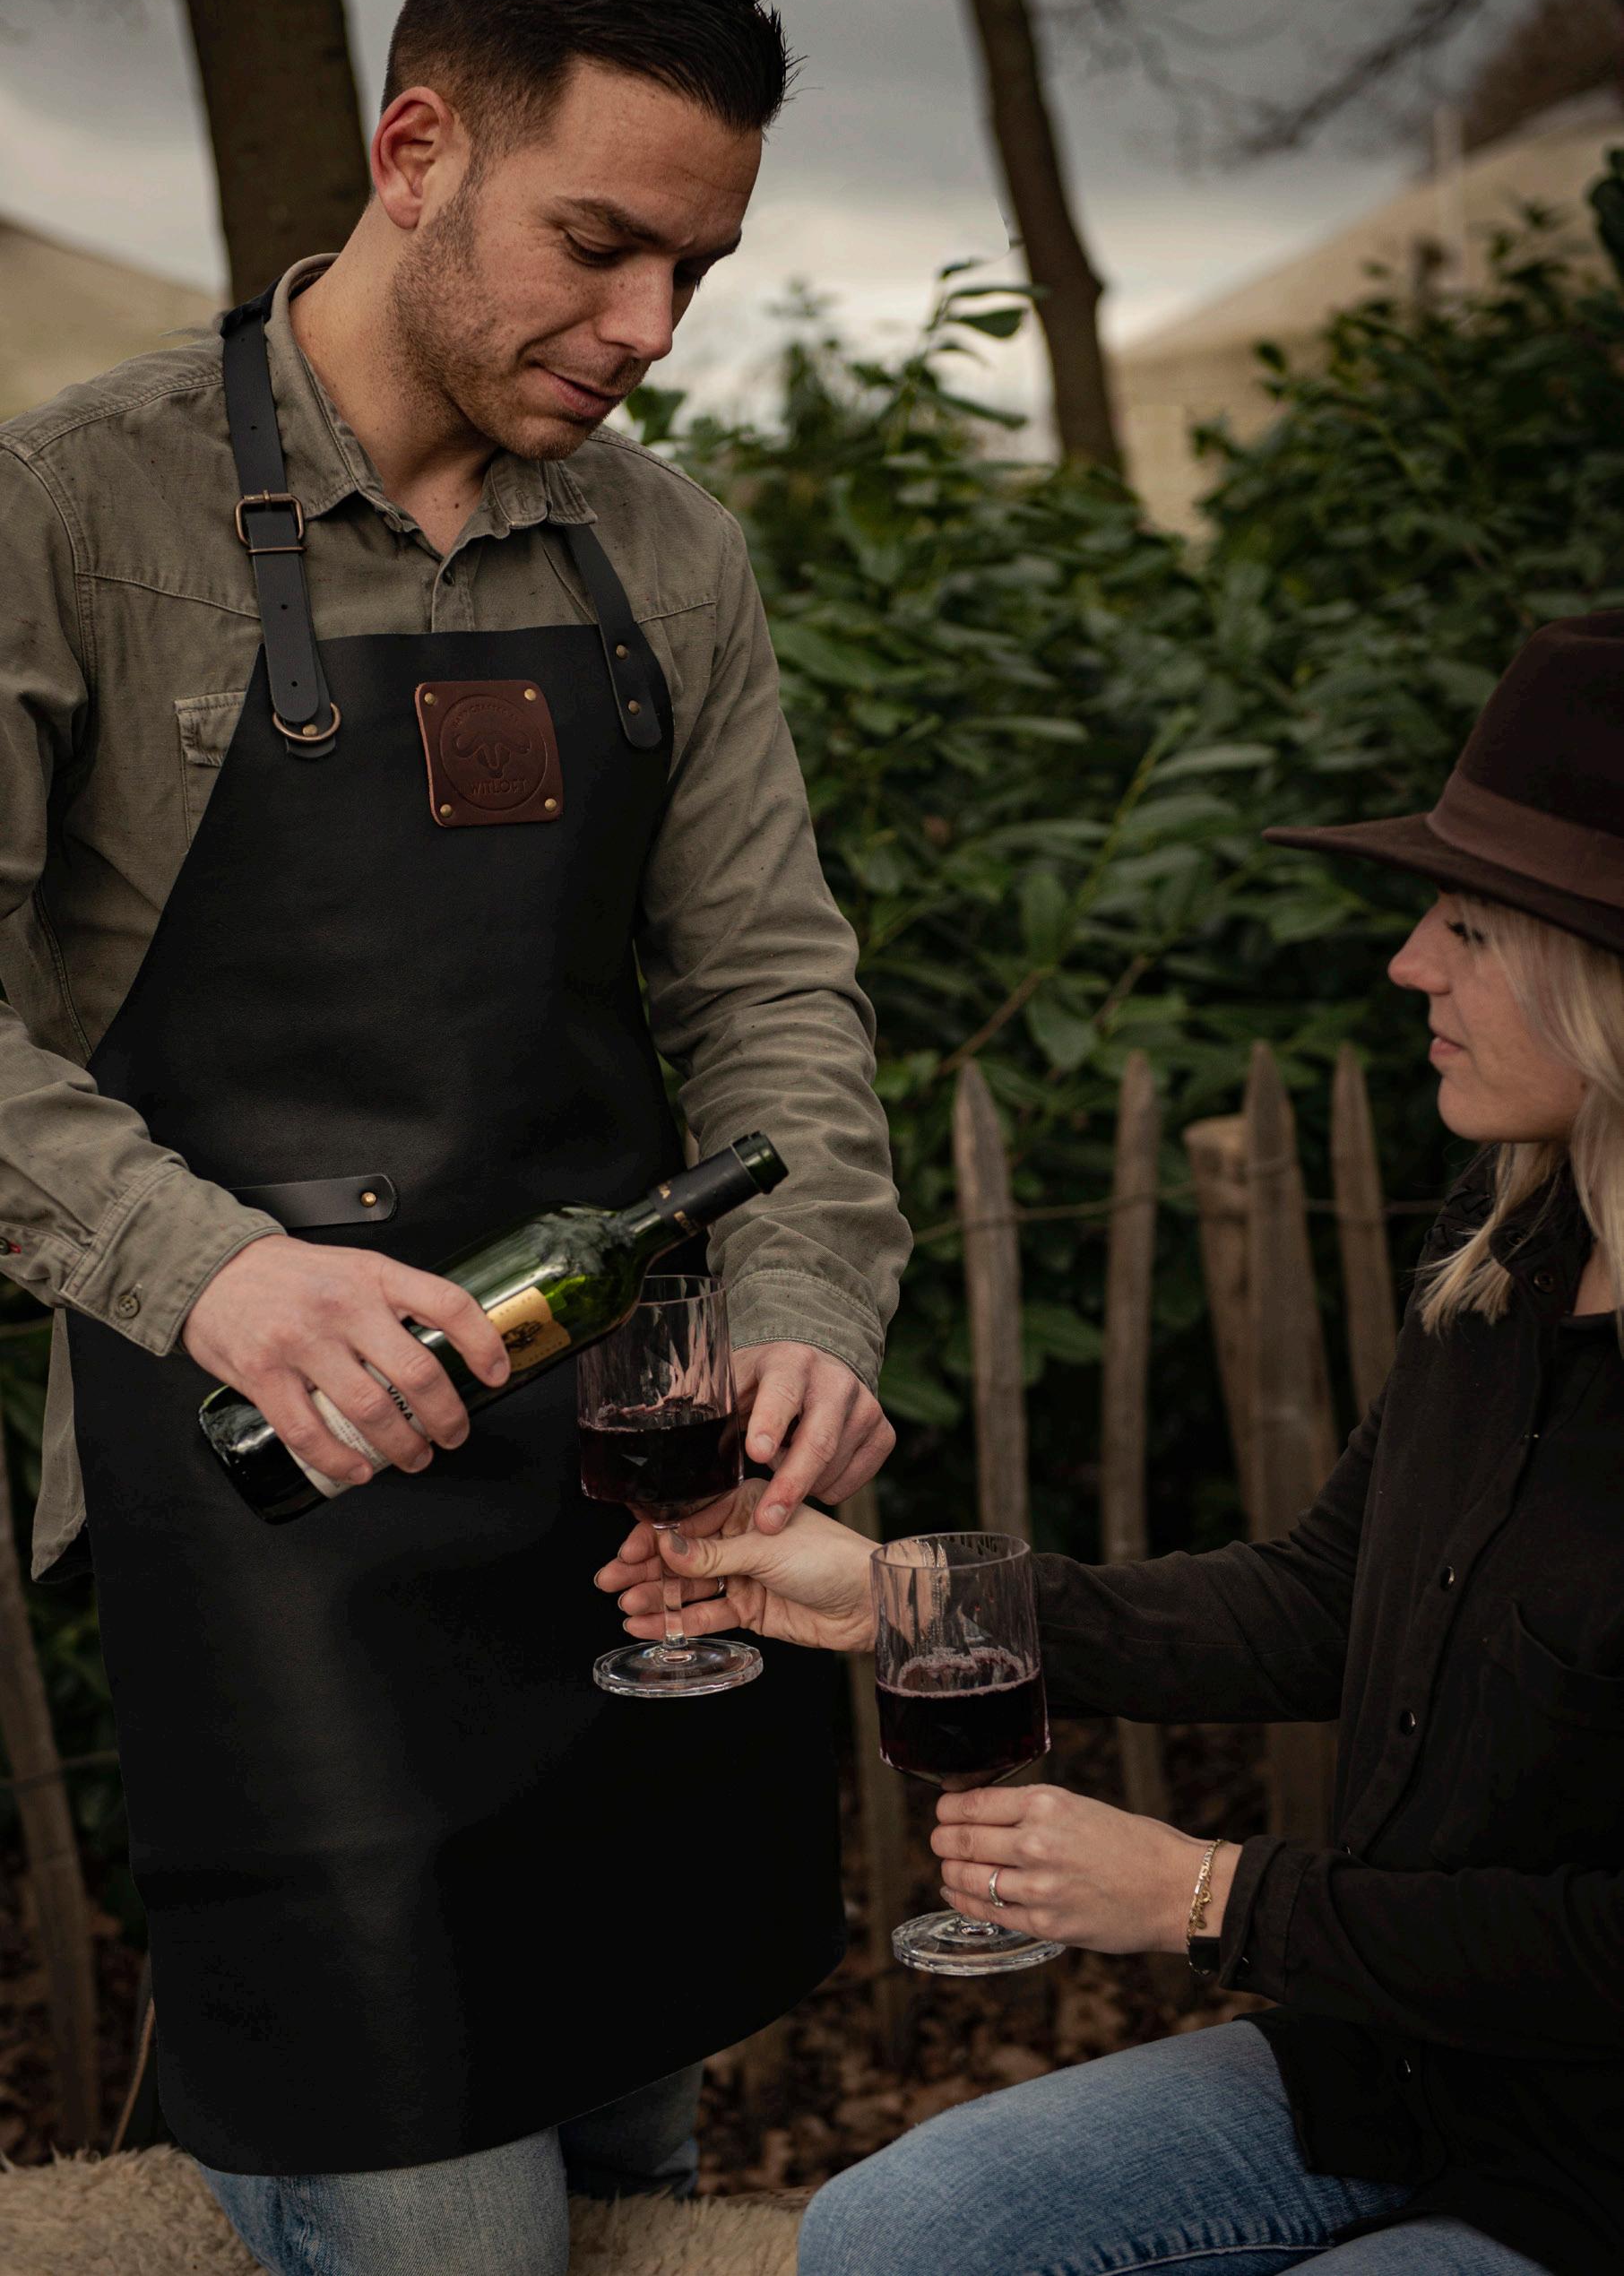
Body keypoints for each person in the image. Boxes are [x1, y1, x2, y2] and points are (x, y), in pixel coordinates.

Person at [0, 0, 909, 2276]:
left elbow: (774, 988)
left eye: (696, 269)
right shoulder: (75, 513)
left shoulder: (666, 549)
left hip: (631, 1516)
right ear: (416, 152)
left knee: (635, 2190)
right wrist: (211, 1268)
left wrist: (810, 1306)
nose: (651, 330)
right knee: (450, 2233)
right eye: (600, 246)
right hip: (269, 1517)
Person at [604, 610, 1624, 2276]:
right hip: (1400, 2068)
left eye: (1466, 927)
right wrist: (903, 1600)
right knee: (888, 2231)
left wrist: (1209, 1894)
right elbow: (1321, 1599)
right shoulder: (1509, 1241)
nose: (1407, 964)